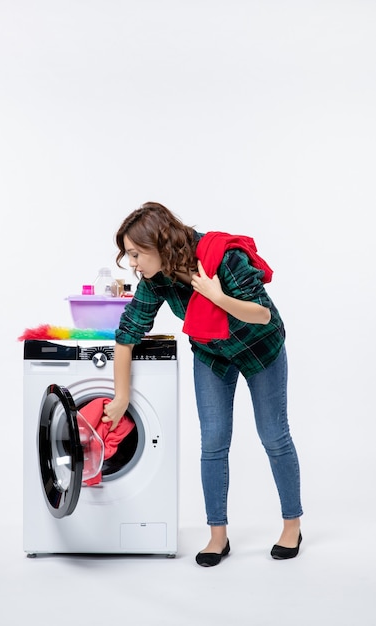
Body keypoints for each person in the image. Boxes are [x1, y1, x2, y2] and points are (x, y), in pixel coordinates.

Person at [101, 202, 303, 567]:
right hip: (213, 354)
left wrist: (217, 297)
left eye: (134, 253)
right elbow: (127, 334)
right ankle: (217, 536)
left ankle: (292, 525)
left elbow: (263, 314)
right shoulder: (156, 276)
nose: (131, 263)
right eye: (127, 255)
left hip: (260, 348)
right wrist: (121, 396)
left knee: (273, 434)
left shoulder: (223, 257)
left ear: (159, 244)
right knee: (213, 439)